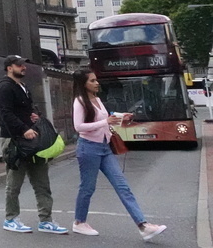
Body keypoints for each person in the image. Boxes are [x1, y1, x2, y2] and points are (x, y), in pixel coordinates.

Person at [71, 70, 167, 240]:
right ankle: (79, 222)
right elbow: (78, 127)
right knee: (88, 187)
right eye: (92, 81)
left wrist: (121, 118)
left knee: (123, 186)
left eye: (96, 80)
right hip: (88, 148)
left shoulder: (98, 99)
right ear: (83, 83)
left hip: (105, 148)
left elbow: (105, 119)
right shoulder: (79, 102)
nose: (97, 83)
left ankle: (143, 226)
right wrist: (105, 121)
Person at [0, 54, 68, 234]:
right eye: (19, 65)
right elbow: (6, 113)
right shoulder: (5, 88)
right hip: (15, 140)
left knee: (42, 182)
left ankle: (46, 220)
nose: (24, 67)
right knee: (14, 183)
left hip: (33, 140)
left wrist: (34, 116)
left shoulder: (23, 87)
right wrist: (23, 129)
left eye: (24, 64)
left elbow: (23, 110)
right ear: (9, 68)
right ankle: (10, 219)